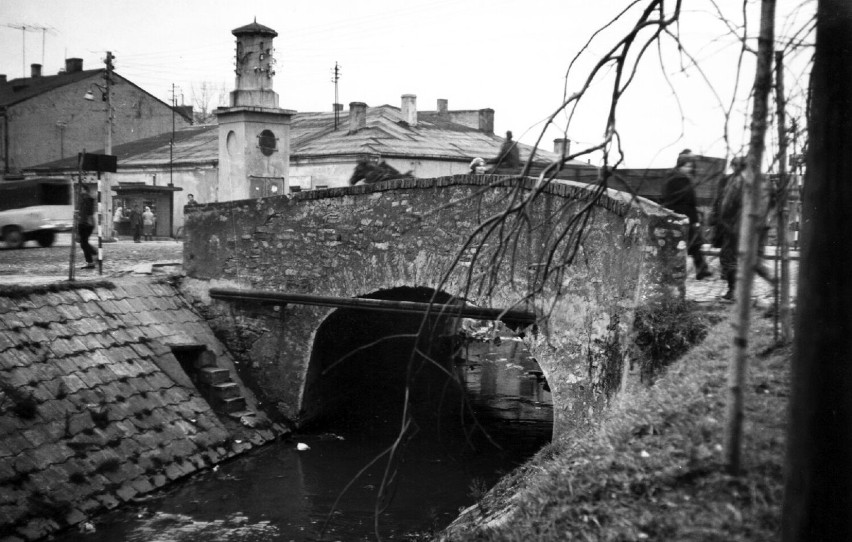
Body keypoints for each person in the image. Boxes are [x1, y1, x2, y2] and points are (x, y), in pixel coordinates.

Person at [709, 156, 774, 300]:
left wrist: (724, 223)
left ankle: (734, 291)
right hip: (760, 229)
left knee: (729, 258)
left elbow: (727, 206)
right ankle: (775, 283)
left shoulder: (738, 181)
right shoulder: (765, 181)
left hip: (738, 228)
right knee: (755, 261)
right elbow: (773, 203)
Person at [661, 149, 711, 280]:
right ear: (680, 165)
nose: (689, 169)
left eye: (690, 167)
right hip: (681, 216)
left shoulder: (679, 178)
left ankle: (701, 269)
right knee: (682, 244)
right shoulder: (677, 180)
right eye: (687, 166)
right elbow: (685, 201)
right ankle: (674, 271)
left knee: (693, 244)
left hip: (682, 215)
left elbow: (689, 202)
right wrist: (691, 219)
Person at [77, 184, 96, 270]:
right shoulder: (87, 199)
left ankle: (91, 261)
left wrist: (80, 220)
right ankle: (93, 254)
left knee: (83, 243)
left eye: (81, 189)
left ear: (85, 190)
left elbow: (85, 212)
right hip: (87, 223)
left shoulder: (85, 199)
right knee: (83, 242)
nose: (79, 191)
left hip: (85, 223)